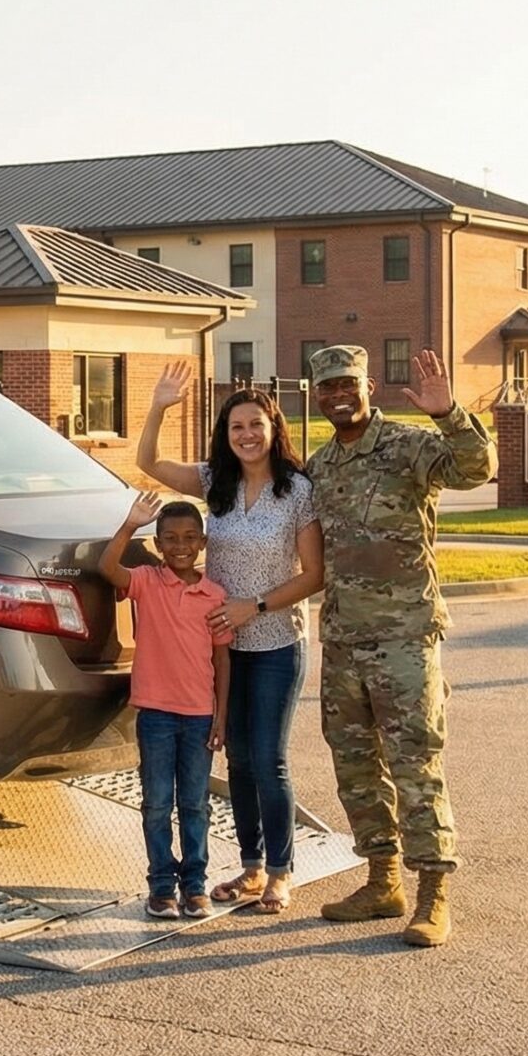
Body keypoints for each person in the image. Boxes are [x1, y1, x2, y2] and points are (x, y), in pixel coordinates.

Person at [304, 343, 494, 948]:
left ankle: (434, 893)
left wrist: (447, 413)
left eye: (348, 384)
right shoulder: (319, 466)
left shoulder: (408, 445)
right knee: (355, 766)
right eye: (328, 387)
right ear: (317, 395)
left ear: (368, 387)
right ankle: (382, 880)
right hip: (343, 638)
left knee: (416, 762)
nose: (339, 395)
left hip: (405, 636)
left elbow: (475, 469)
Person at [134, 361, 323, 914]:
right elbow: (148, 462)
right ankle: (252, 866)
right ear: (227, 433)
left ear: (273, 428)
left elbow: (315, 575)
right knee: (236, 760)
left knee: (268, 759)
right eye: (236, 426)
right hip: (219, 648)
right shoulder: (215, 482)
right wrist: (159, 406)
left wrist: (254, 605)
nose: (246, 435)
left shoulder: (297, 491)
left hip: (275, 642)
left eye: (255, 425)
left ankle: (281, 872)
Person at [97, 491, 231, 920]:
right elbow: (107, 568)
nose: (180, 546)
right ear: (157, 544)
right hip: (155, 714)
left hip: (200, 716)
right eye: (170, 538)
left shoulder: (215, 595)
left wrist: (221, 715)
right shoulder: (146, 582)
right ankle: (161, 887)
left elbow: (222, 659)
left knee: (195, 803)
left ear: (203, 543)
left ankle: (195, 885)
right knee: (156, 802)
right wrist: (130, 524)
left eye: (190, 537)